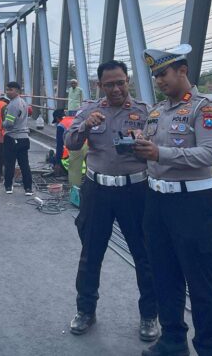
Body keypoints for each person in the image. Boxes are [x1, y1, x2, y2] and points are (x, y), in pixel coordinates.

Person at [133, 44, 212, 356]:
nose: (159, 80)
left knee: (201, 283)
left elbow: (210, 153)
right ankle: (173, 340)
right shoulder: (157, 112)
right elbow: (152, 151)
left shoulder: (205, 108)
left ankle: (209, 348)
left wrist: (160, 152)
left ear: (182, 71)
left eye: (164, 73)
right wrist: (139, 145)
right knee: (164, 276)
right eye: (155, 76)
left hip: (195, 204)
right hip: (158, 202)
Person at [64, 60, 158, 342]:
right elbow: (69, 142)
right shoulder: (90, 110)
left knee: (145, 256)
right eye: (109, 84)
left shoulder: (144, 112)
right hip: (98, 192)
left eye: (121, 82)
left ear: (127, 80)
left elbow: (158, 149)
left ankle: (149, 315)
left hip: (135, 192)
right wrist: (84, 127)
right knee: (91, 255)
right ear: (99, 85)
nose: (116, 89)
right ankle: (85, 311)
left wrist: (144, 143)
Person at [2, 81, 33, 196]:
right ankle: (28, 188)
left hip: (12, 137)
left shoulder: (12, 105)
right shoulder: (24, 103)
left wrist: (2, 123)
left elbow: (9, 123)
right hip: (24, 137)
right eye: (7, 89)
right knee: (24, 164)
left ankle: (8, 186)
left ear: (17, 91)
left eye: (11, 90)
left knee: (10, 163)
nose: (8, 92)